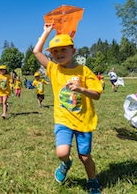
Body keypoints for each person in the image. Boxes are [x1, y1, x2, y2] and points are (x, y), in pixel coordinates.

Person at [33, 23, 103, 194]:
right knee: (62, 152)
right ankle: (65, 164)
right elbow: (36, 52)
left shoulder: (84, 71)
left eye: (63, 50)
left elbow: (97, 94)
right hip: (63, 120)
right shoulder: (53, 69)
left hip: (83, 121)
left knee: (85, 157)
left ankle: (92, 181)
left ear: (74, 51)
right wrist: (46, 32)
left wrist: (81, 89)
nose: (59, 54)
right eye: (55, 51)